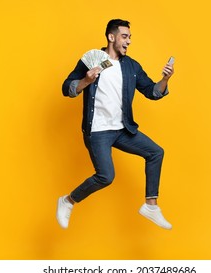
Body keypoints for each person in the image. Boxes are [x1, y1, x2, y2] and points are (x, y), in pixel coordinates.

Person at [57, 19, 174, 230]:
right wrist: (86, 81)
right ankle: (68, 201)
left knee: (156, 152)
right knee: (106, 176)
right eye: (125, 36)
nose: (128, 41)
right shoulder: (92, 61)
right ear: (112, 37)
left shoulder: (131, 66)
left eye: (130, 37)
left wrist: (165, 79)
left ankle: (151, 206)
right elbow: (67, 88)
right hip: (98, 131)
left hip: (122, 130)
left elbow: (152, 91)